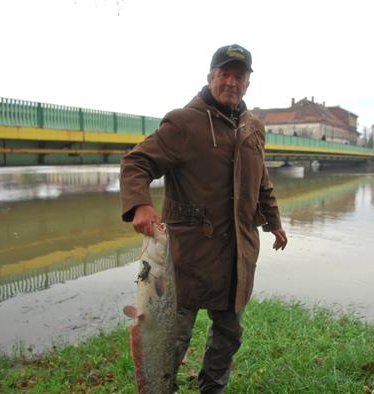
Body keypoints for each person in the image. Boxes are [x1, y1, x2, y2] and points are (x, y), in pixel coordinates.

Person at [120, 44, 288, 393]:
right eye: (223, 73)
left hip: (237, 254)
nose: (231, 81)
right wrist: (140, 205)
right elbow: (136, 162)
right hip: (187, 257)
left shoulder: (253, 127)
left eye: (238, 75)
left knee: (229, 334)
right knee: (171, 339)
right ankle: (160, 388)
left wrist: (274, 222)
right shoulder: (183, 122)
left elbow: (262, 182)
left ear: (248, 83)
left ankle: (212, 388)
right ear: (210, 77)